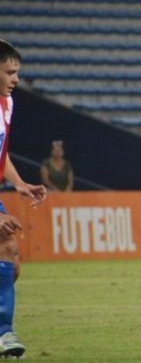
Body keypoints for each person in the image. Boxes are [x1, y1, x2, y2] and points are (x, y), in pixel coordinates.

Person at [0, 39, 47, 357]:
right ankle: (4, 333)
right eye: (9, 72)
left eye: (17, 72)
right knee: (6, 246)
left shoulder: (7, 103)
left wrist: (18, 183)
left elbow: (0, 153)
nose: (15, 79)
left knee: (11, 264)